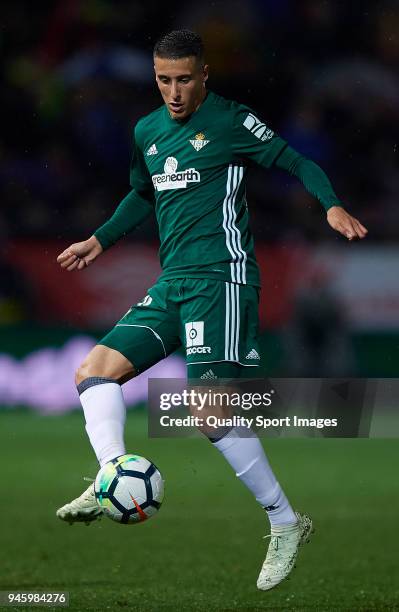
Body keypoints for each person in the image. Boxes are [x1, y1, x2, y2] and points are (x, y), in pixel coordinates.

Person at [56, 30, 368, 591]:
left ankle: (285, 522)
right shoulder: (147, 130)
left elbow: (297, 161)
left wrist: (332, 205)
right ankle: (112, 475)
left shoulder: (231, 121)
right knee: (92, 372)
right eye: (163, 80)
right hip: (173, 282)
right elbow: (144, 194)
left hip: (222, 278)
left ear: (205, 76)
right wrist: (99, 240)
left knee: (207, 411)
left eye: (183, 79)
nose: (173, 92)